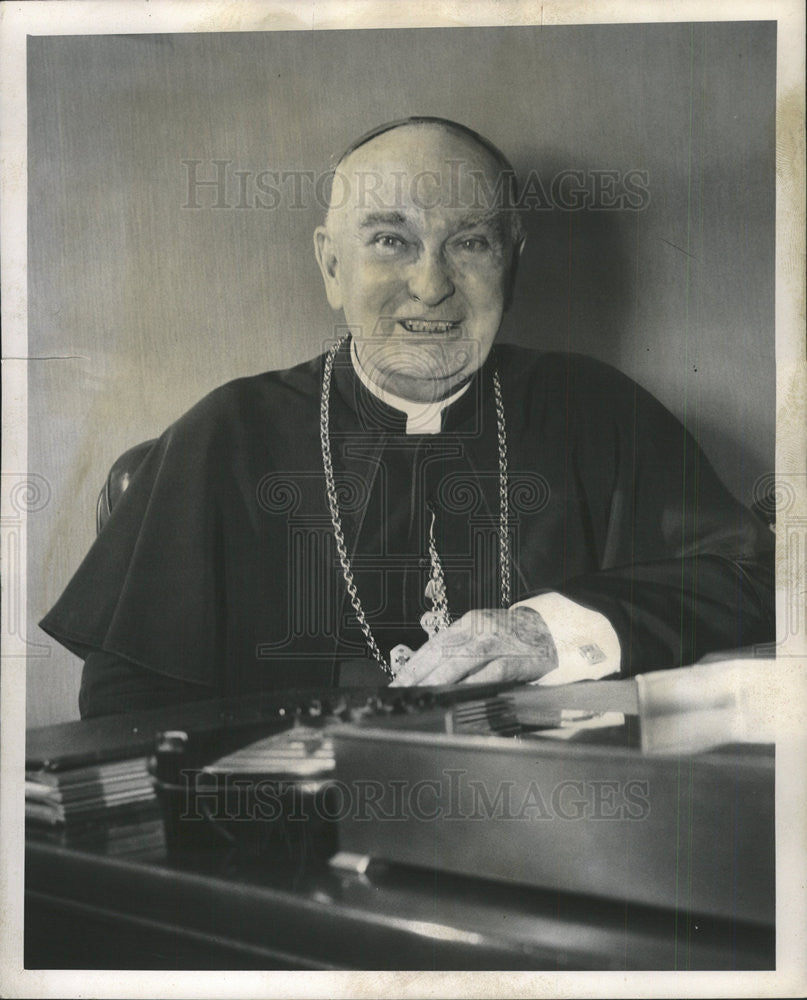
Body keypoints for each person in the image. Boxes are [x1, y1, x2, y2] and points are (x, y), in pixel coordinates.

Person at [40, 117, 775, 717]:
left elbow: (748, 579)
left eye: (469, 242)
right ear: (332, 267)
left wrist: (545, 631)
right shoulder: (228, 434)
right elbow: (129, 712)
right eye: (390, 241)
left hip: (551, 826)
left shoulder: (596, 411)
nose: (430, 286)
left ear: (510, 262)